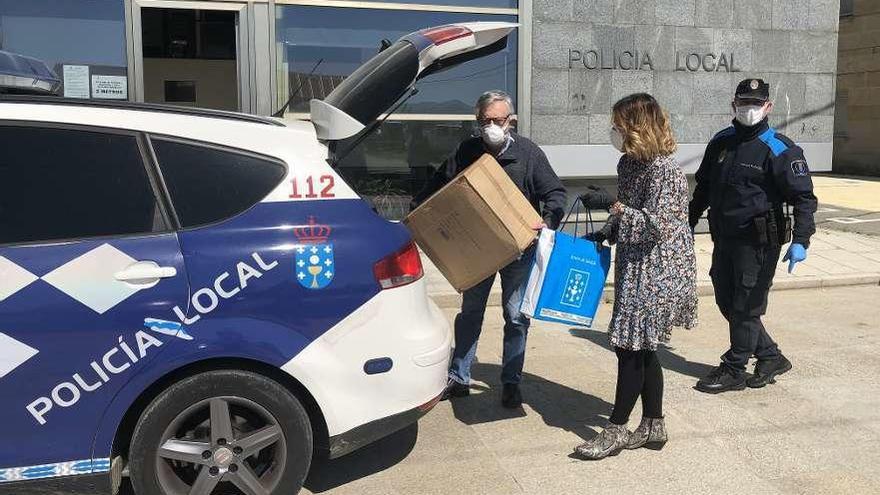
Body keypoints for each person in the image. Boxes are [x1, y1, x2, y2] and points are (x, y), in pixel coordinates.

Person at [411, 90, 566, 408]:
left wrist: (547, 221)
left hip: (517, 251)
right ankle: (460, 376)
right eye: (485, 121)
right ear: (477, 121)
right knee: (470, 313)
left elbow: (555, 192)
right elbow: (439, 184)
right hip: (477, 250)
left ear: (510, 121)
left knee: (515, 316)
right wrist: (417, 214)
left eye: (497, 120)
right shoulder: (467, 150)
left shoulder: (528, 153)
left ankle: (511, 382)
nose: (491, 126)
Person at [574, 93, 697, 460]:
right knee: (642, 348)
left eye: (618, 124)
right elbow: (632, 214)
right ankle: (654, 424)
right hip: (635, 264)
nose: (613, 130)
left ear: (637, 126)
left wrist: (616, 208)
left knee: (629, 349)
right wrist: (608, 228)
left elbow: (656, 224)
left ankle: (615, 429)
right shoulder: (629, 164)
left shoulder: (665, 171)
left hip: (659, 271)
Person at [690, 78, 818, 394]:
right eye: (744, 103)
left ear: (768, 107)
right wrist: (686, 223)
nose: (749, 109)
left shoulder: (780, 149)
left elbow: (804, 198)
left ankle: (735, 368)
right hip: (725, 238)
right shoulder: (721, 142)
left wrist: (801, 240)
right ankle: (770, 356)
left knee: (746, 305)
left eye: (756, 103)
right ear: (733, 105)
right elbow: (704, 187)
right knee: (726, 300)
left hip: (759, 242)